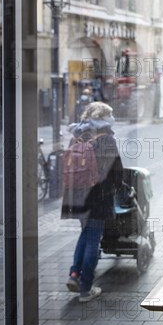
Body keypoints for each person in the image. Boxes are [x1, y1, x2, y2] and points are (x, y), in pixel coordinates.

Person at [61, 102, 123, 302]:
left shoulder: (77, 136)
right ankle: (86, 289)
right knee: (93, 239)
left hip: (78, 195)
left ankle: (74, 274)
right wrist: (118, 187)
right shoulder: (106, 140)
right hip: (99, 197)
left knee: (85, 234)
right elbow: (117, 171)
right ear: (106, 118)